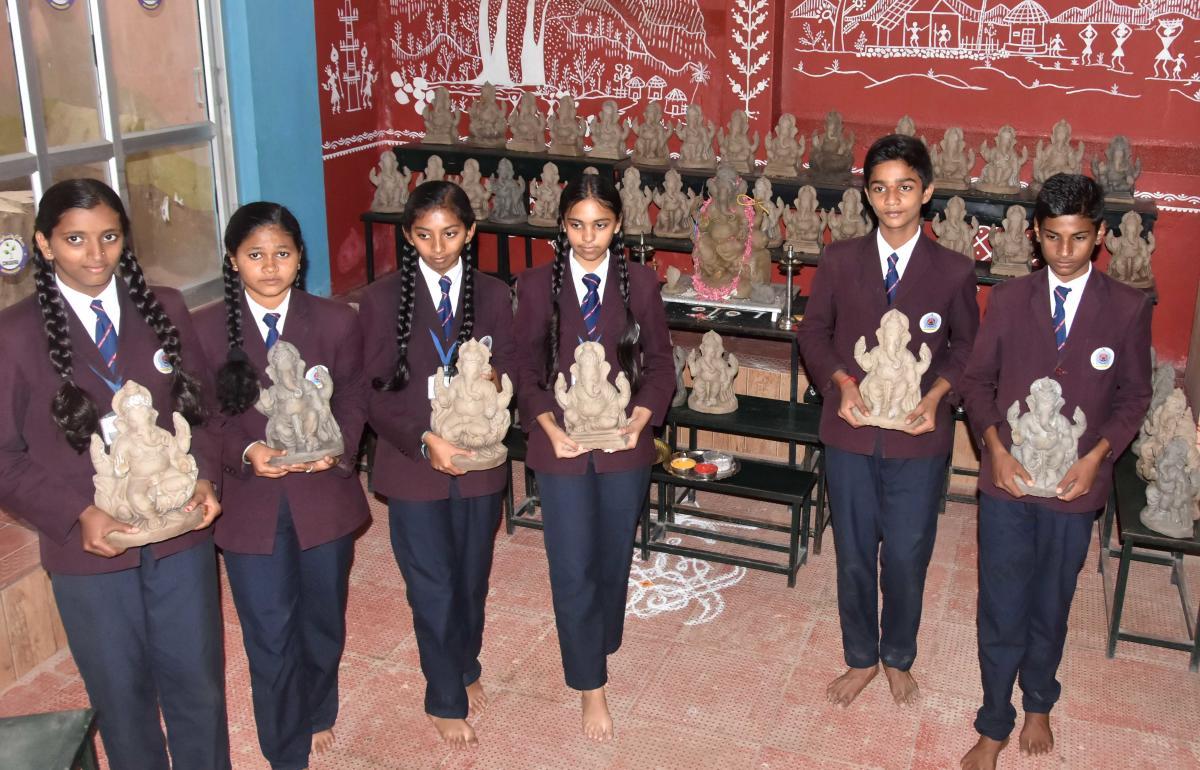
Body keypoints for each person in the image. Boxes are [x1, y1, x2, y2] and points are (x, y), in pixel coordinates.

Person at [0, 178, 228, 769]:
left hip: (179, 532)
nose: (95, 255)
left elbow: (199, 410)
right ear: (45, 245)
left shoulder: (166, 308)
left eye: (108, 237)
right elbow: (4, 455)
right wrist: (78, 512)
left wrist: (203, 478)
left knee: (197, 684)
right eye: (75, 239)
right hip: (89, 550)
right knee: (121, 696)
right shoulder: (13, 335)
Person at [959, 173, 1152, 770]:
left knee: (1052, 596)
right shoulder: (1009, 299)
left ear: (1099, 238)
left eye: (1078, 239)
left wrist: (1096, 457)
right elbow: (977, 382)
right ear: (1036, 236)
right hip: (1009, 483)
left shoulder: (1125, 306)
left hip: (1075, 488)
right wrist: (995, 447)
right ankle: (995, 718)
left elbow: (1134, 398)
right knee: (1001, 597)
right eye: (1052, 239)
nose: (1064, 253)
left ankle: (1039, 698)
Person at [797, 134, 979, 708]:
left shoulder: (952, 270)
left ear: (926, 192)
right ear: (867, 195)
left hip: (918, 440)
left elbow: (966, 350)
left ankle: (898, 654)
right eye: (880, 188)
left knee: (905, 552)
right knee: (853, 550)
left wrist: (938, 396)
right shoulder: (840, 259)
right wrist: (843, 381)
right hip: (850, 431)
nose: (892, 200)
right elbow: (814, 333)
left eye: (905, 187)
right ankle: (860, 657)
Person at [194, 202, 369, 769]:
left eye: (283, 254)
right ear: (233, 259)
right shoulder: (203, 327)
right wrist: (248, 451)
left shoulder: (336, 320)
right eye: (255, 255)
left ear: (300, 257)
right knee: (268, 631)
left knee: (323, 619)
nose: (270, 267)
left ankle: (318, 708)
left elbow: (354, 398)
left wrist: (335, 449)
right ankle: (283, 747)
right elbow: (200, 417)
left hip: (323, 497)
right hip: (251, 503)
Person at [512, 172, 674, 740]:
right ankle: (590, 684)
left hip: (623, 447)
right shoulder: (535, 285)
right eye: (577, 225)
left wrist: (640, 420)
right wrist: (548, 427)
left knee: (611, 555)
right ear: (561, 226)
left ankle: (599, 636)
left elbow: (661, 368)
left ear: (620, 225)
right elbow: (524, 370)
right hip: (560, 448)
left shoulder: (642, 283)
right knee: (573, 563)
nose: (588, 238)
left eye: (600, 225)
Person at [359, 180, 517, 748]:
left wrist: (501, 384)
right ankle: (442, 694)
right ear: (408, 236)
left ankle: (465, 663)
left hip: (479, 458)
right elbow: (372, 393)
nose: (439, 246)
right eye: (424, 236)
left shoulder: (496, 294)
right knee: (431, 582)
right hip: (413, 462)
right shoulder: (380, 299)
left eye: (451, 233)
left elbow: (516, 366)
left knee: (472, 575)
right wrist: (424, 439)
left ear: (470, 233)